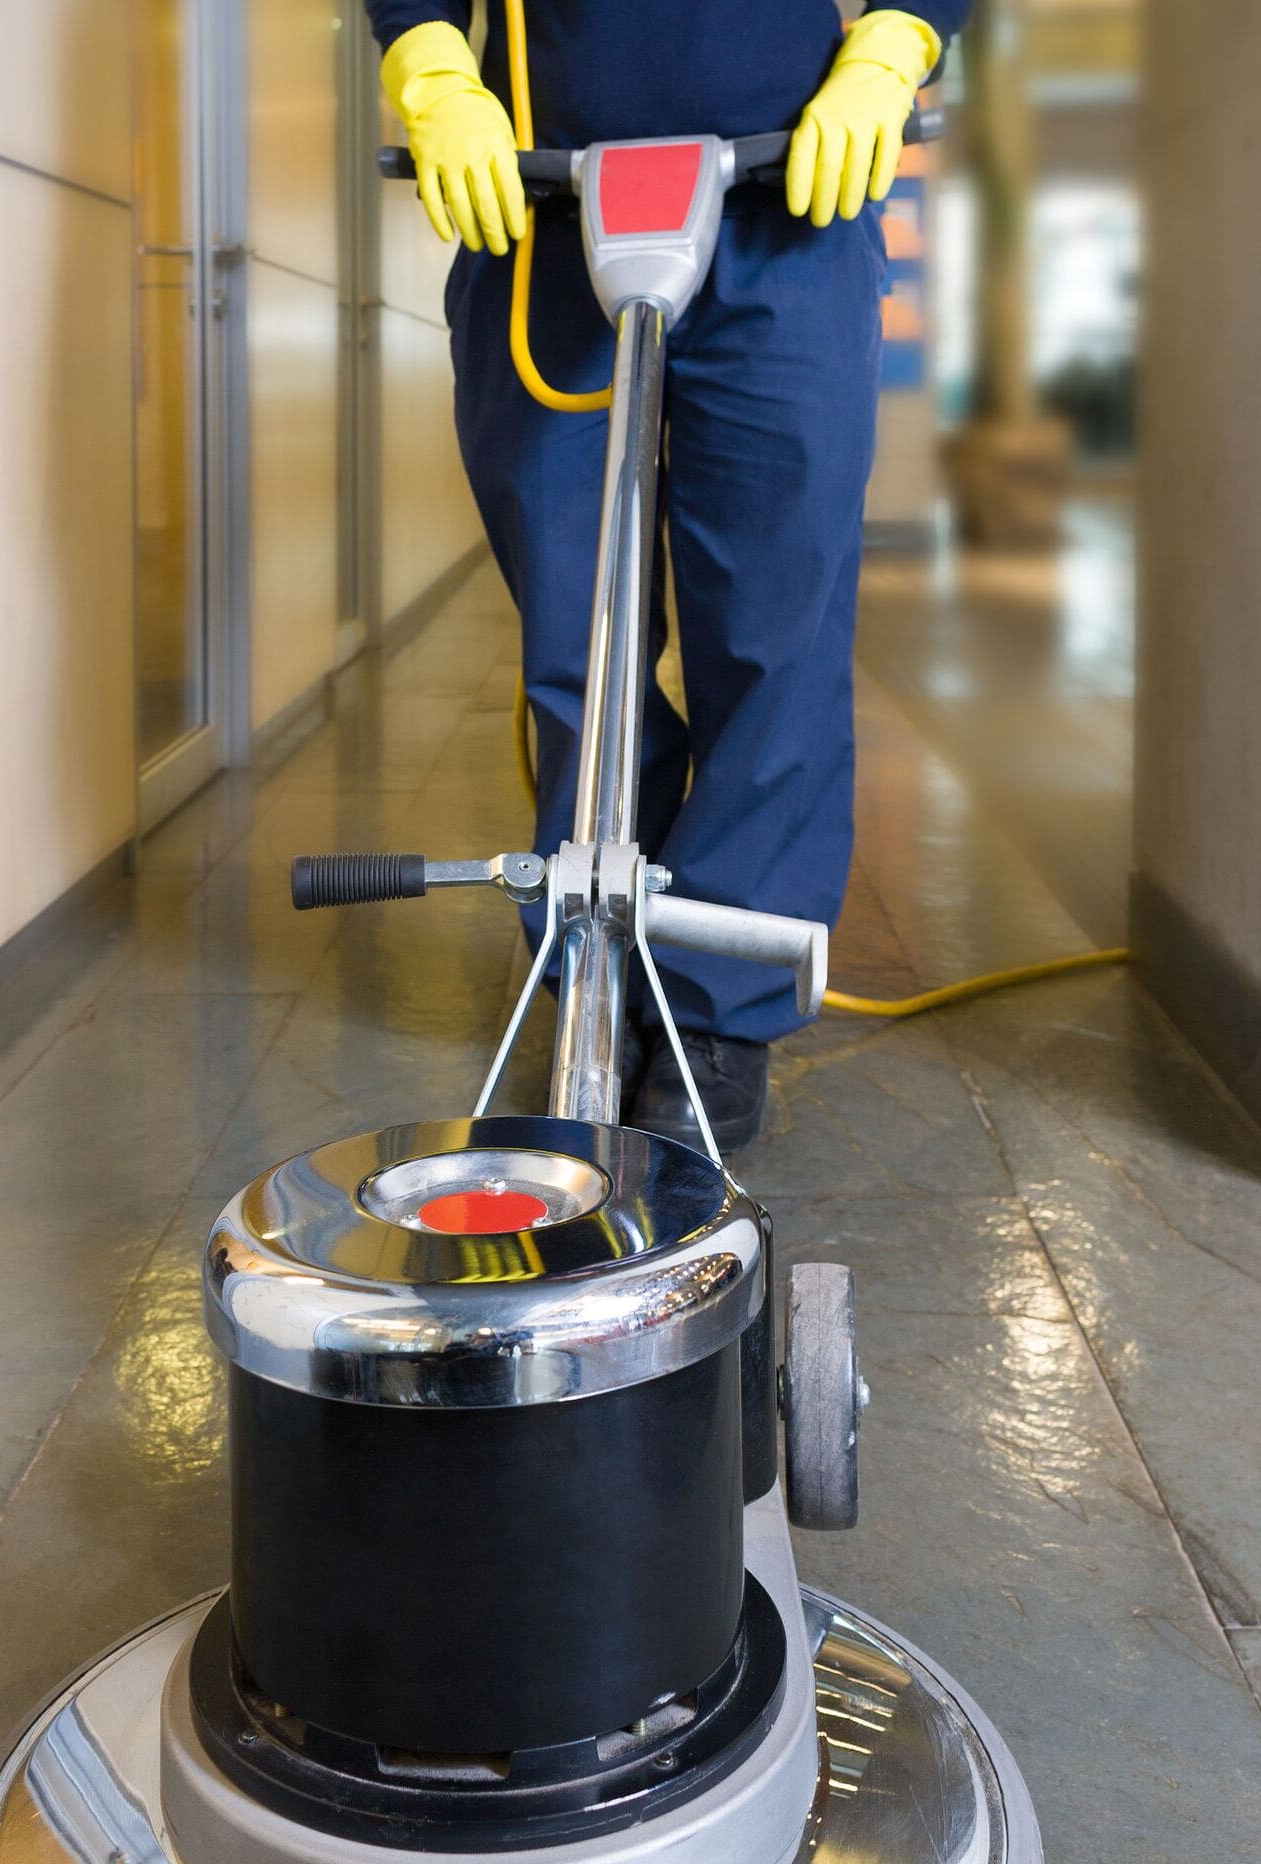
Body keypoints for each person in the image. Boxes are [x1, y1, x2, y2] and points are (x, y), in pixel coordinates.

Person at [367, 2, 968, 1153]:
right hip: (543, 206)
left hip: (788, 200)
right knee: (576, 632)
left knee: (771, 633)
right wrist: (434, 65)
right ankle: (599, 968)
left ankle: (715, 1011)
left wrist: (894, 49)